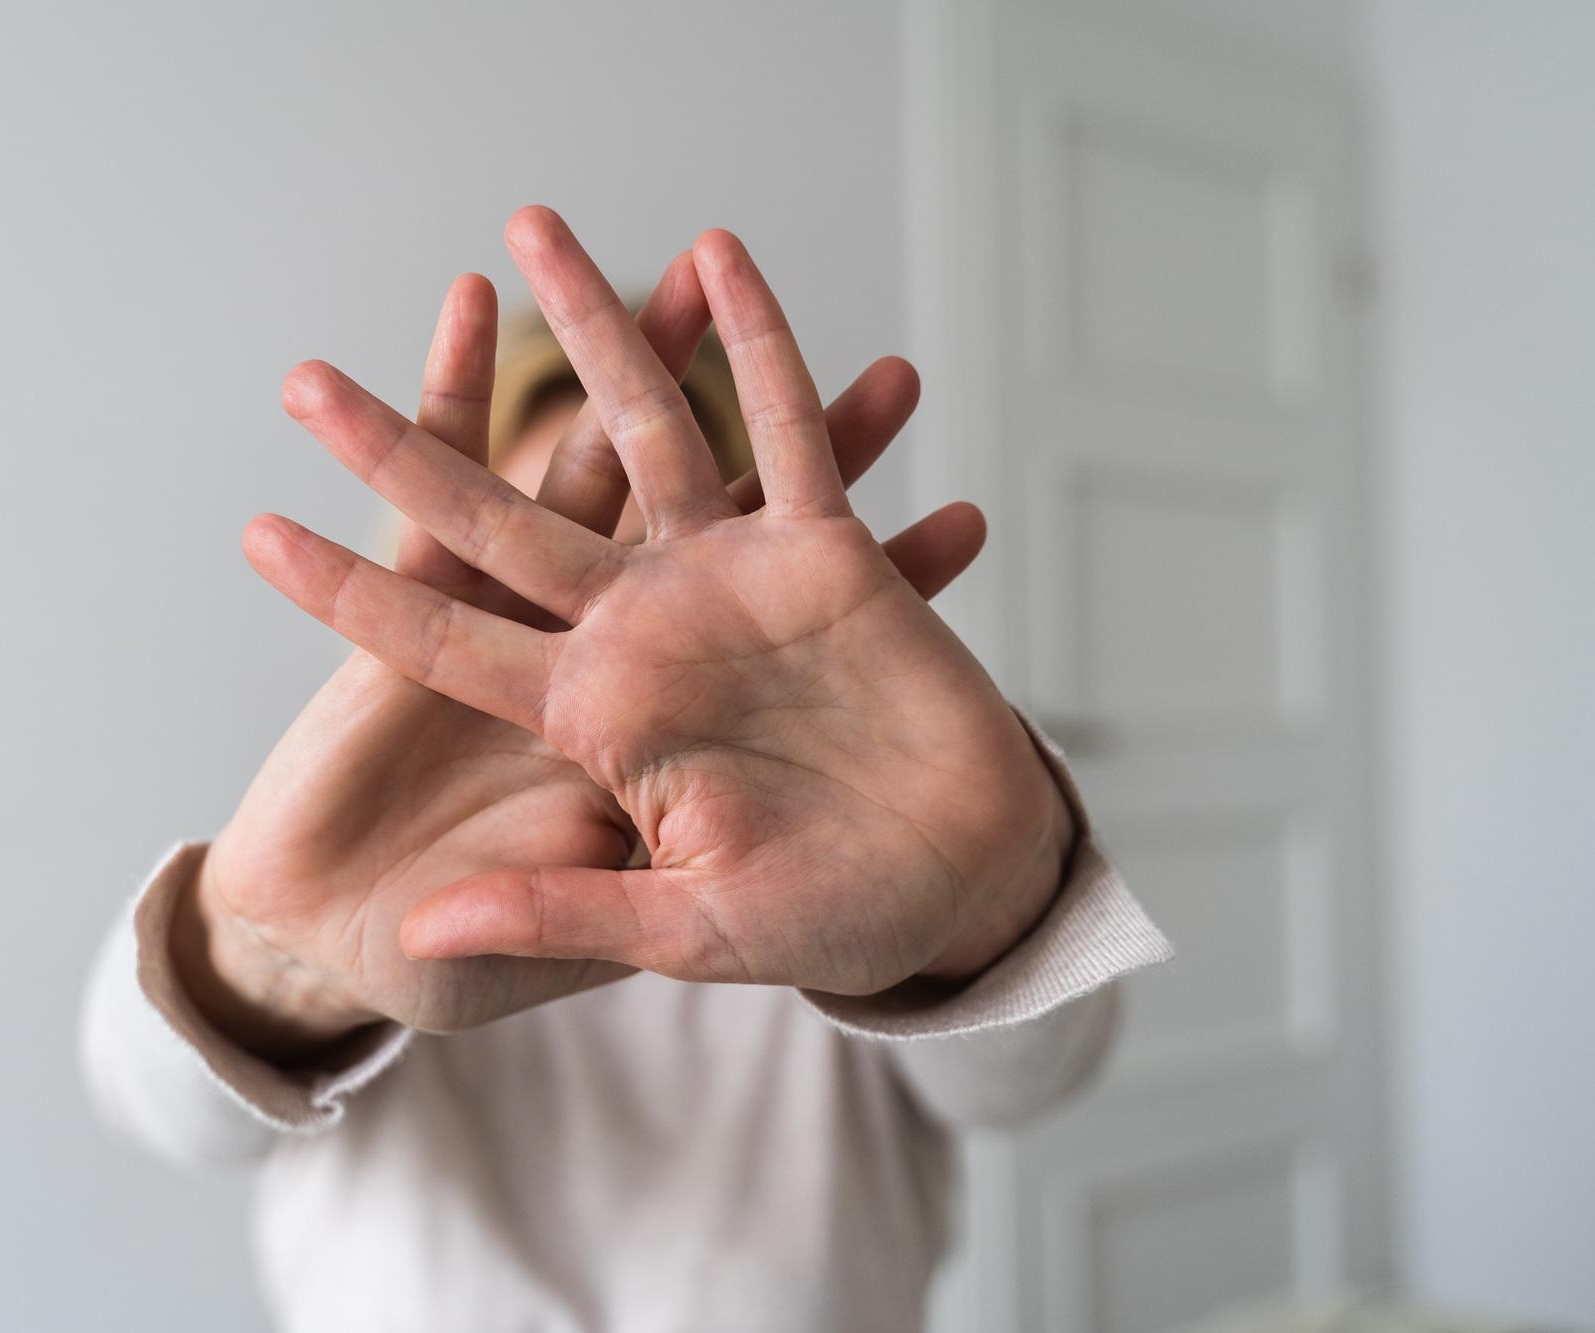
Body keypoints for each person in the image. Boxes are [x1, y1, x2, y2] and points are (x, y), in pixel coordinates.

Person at [80, 206, 1171, 1332]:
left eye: (620, 547)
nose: (579, 614)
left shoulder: (839, 845)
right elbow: (156, 1105)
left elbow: (1028, 1080)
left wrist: (994, 902)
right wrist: (272, 961)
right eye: (515, 544)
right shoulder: (352, 834)